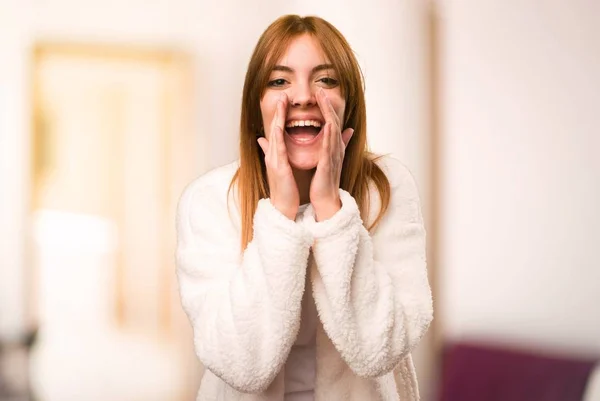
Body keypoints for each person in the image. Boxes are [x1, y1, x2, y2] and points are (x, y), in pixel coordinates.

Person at [176, 14, 433, 401]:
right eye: (279, 81)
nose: (302, 96)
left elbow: (382, 348)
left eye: (326, 79)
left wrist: (331, 210)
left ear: (350, 105)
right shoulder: (209, 200)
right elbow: (238, 364)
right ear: (255, 108)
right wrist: (279, 213)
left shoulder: (388, 187)